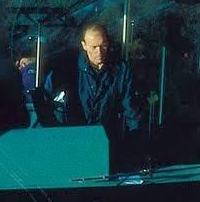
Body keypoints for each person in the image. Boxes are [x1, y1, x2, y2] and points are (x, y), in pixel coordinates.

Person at [42, 22, 141, 151]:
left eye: (103, 46)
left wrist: (136, 143)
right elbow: (46, 103)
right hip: (71, 141)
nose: (99, 52)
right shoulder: (66, 70)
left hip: (105, 141)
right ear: (84, 45)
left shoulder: (120, 71)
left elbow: (131, 109)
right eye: (94, 47)